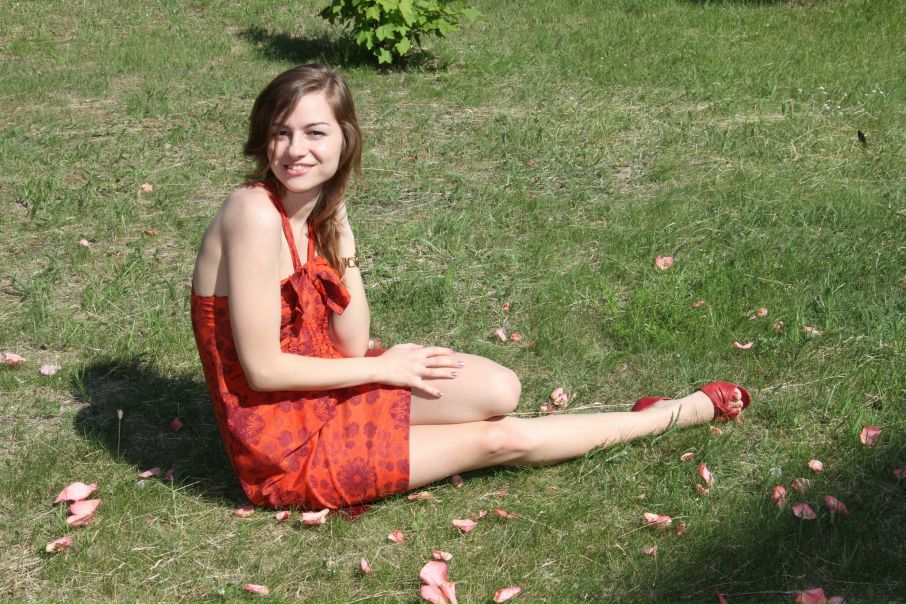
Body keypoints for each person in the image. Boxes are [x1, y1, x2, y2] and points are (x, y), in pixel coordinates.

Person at [191, 64, 750, 511]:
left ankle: (414, 436)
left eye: (315, 132)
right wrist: (384, 370)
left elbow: (350, 343)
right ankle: (670, 415)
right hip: (286, 447)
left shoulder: (313, 213)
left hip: (325, 392)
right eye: (281, 132)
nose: (296, 150)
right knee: (502, 438)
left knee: (500, 389)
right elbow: (265, 370)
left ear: (345, 140)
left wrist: (341, 233)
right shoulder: (253, 213)